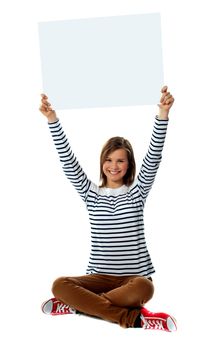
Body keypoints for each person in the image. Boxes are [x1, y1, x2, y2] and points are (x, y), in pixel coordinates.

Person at [39, 86, 177, 331]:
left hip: (132, 281)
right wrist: (52, 120)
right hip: (98, 279)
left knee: (147, 287)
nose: (114, 166)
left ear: (129, 164)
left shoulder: (137, 191)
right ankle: (133, 318)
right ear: (102, 162)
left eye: (120, 160)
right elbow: (68, 160)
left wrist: (163, 115)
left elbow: (154, 156)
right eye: (109, 160)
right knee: (59, 285)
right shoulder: (90, 193)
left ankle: (77, 307)